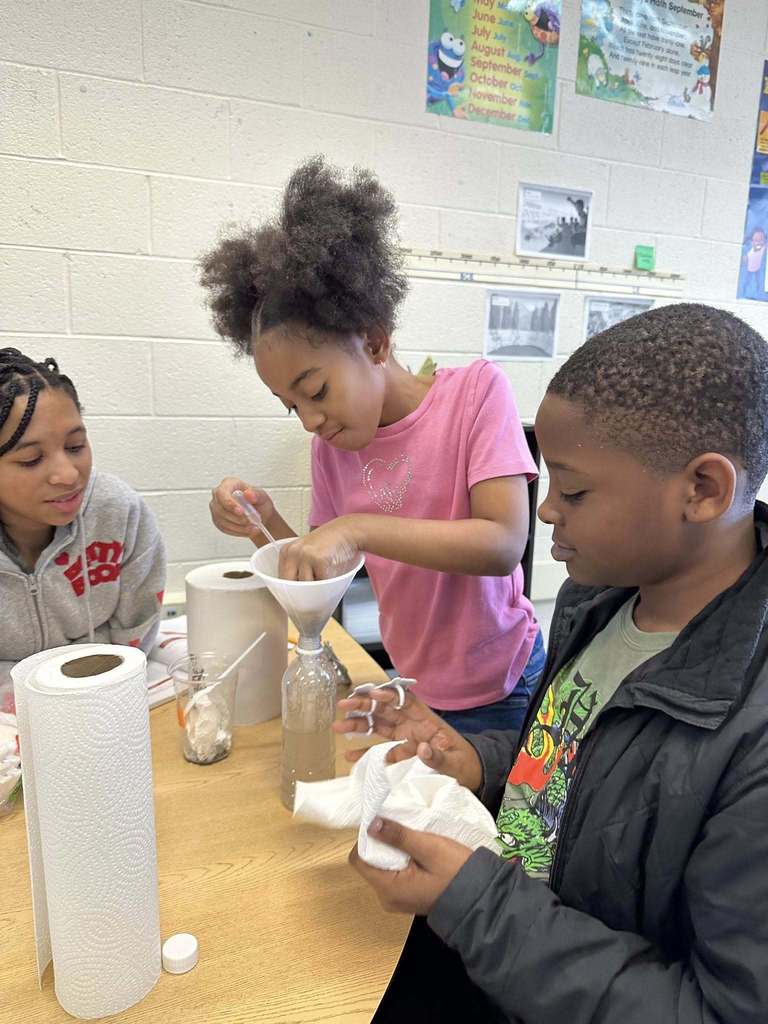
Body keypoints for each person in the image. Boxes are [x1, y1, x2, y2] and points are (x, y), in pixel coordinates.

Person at [337, 303, 768, 1022]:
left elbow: (719, 1011)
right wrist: (477, 760)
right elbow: (582, 766)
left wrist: (479, 907)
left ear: (703, 490)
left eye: (573, 490)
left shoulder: (750, 737)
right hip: (504, 952)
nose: (545, 513)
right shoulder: (599, 605)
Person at [201, 157, 543, 733]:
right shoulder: (333, 448)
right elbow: (322, 573)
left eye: (316, 390)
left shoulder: (477, 396)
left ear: (377, 342)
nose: (309, 420)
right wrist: (266, 522)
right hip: (413, 687)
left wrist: (356, 528)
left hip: (503, 685)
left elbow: (502, 544)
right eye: (292, 406)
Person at [0, 348, 165, 708]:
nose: (69, 475)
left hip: (108, 698)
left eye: (75, 446)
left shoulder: (119, 512)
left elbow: (134, 637)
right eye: (31, 459)